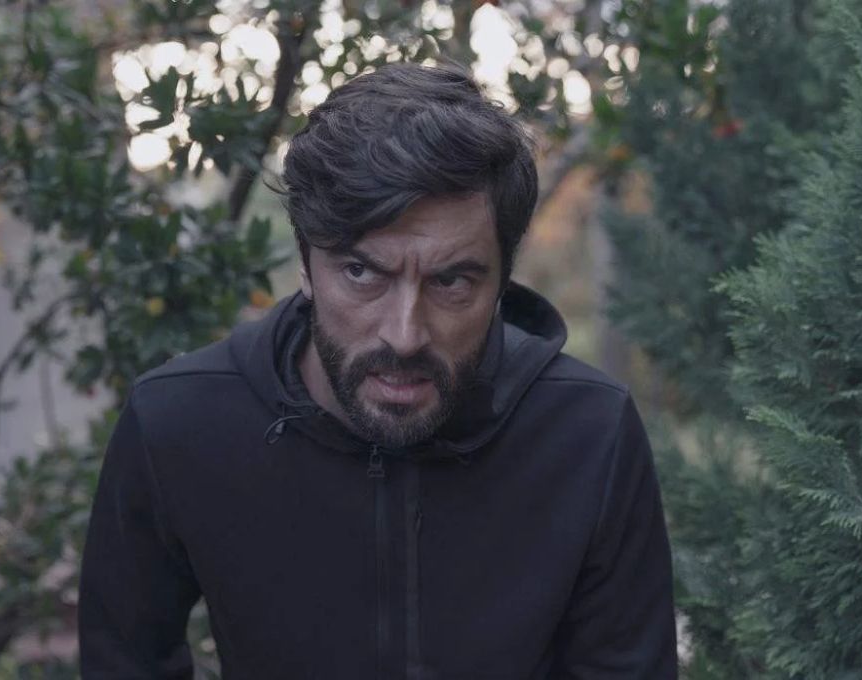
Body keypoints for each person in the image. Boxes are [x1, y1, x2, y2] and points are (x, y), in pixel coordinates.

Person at [78, 61, 677, 679]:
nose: (405, 334)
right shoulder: (180, 424)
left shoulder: (588, 435)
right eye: (362, 272)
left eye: (452, 281)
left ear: (502, 280)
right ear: (306, 264)